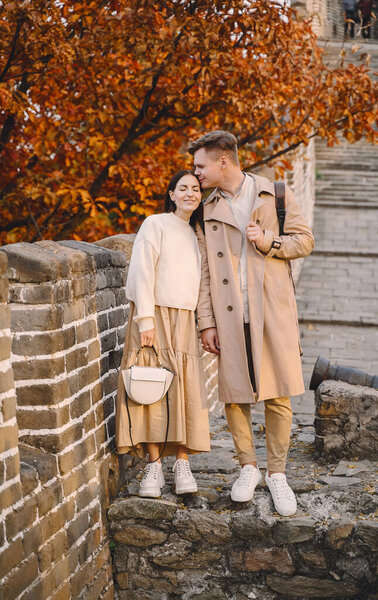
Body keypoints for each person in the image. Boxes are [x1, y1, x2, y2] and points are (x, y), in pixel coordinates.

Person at [188, 131, 314, 516]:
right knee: (234, 392)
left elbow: (305, 241)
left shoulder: (273, 193)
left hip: (272, 310)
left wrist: (269, 242)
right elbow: (205, 272)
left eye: (200, 165)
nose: (195, 173)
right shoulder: (204, 209)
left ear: (223, 161)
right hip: (229, 314)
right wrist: (206, 322)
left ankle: (277, 474)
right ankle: (248, 468)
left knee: (278, 393)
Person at [115, 170, 210, 498]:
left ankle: (182, 463)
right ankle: (153, 466)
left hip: (184, 320)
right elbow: (142, 270)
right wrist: (145, 320)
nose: (190, 193)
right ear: (170, 194)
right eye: (182, 188)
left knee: (182, 390)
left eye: (195, 189)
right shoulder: (155, 223)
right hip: (153, 314)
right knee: (151, 387)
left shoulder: (197, 234)